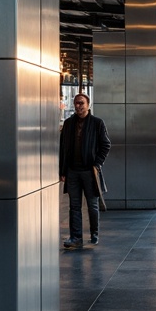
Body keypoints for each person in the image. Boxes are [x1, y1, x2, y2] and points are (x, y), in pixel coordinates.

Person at [59, 93, 111, 249]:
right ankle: (76, 237)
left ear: (88, 104)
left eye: (81, 103)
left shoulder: (97, 123)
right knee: (74, 206)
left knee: (92, 205)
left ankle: (94, 233)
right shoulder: (68, 124)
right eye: (76, 103)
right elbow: (63, 148)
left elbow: (105, 145)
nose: (78, 106)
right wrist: (62, 170)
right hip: (72, 171)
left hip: (89, 171)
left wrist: (97, 164)